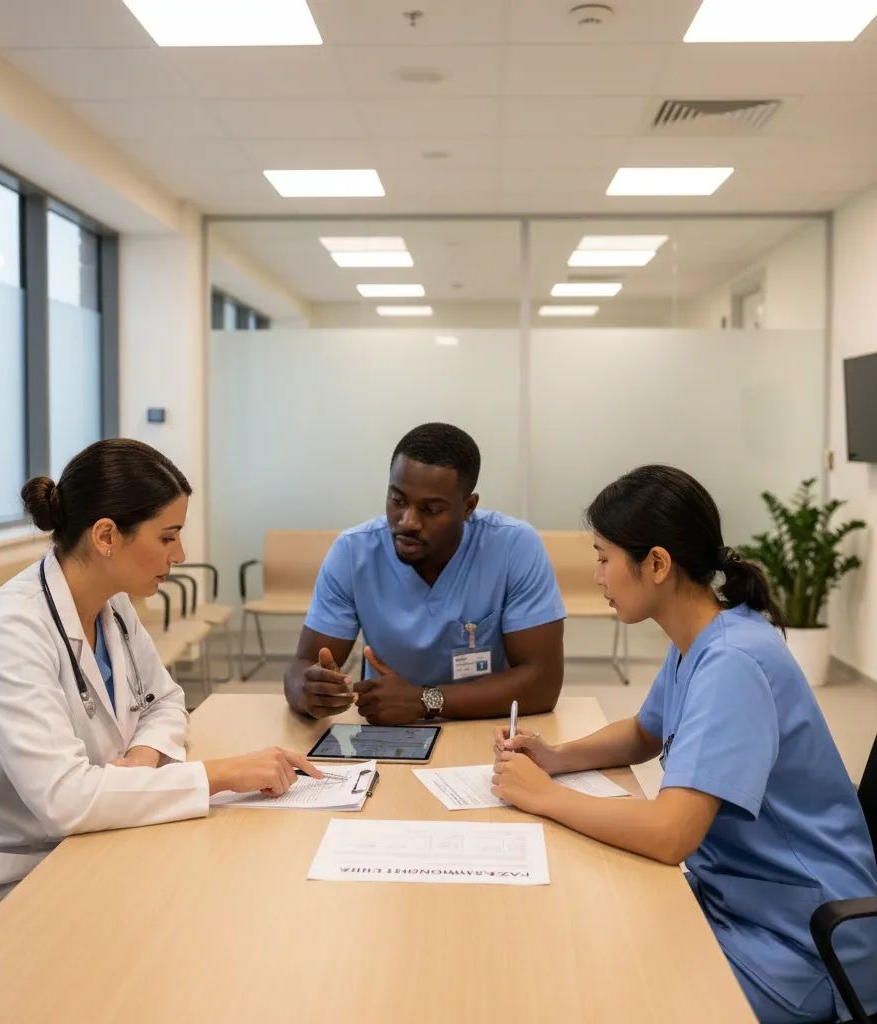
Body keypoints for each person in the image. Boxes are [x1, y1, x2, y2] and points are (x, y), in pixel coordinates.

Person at [0, 439, 319, 973]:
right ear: (106, 536)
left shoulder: (111, 607)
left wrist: (142, 757)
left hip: (72, 855)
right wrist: (220, 774)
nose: (179, 555)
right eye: (168, 536)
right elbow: (65, 800)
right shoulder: (12, 631)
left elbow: (166, 700)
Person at [492, 465, 877, 1024]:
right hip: (743, 902)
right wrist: (554, 758)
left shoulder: (732, 663)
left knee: (607, 991)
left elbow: (671, 833)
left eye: (604, 558)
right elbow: (646, 732)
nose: (597, 574)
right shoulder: (703, 639)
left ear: (656, 564)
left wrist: (543, 797)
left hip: (804, 943)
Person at [284, 422, 565, 725]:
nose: (408, 522)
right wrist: (309, 690)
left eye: (430, 509)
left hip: (485, 727)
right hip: (388, 729)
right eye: (398, 500)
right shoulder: (354, 552)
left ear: (468, 506)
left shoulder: (513, 546)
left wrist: (425, 701)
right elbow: (303, 665)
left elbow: (543, 683)